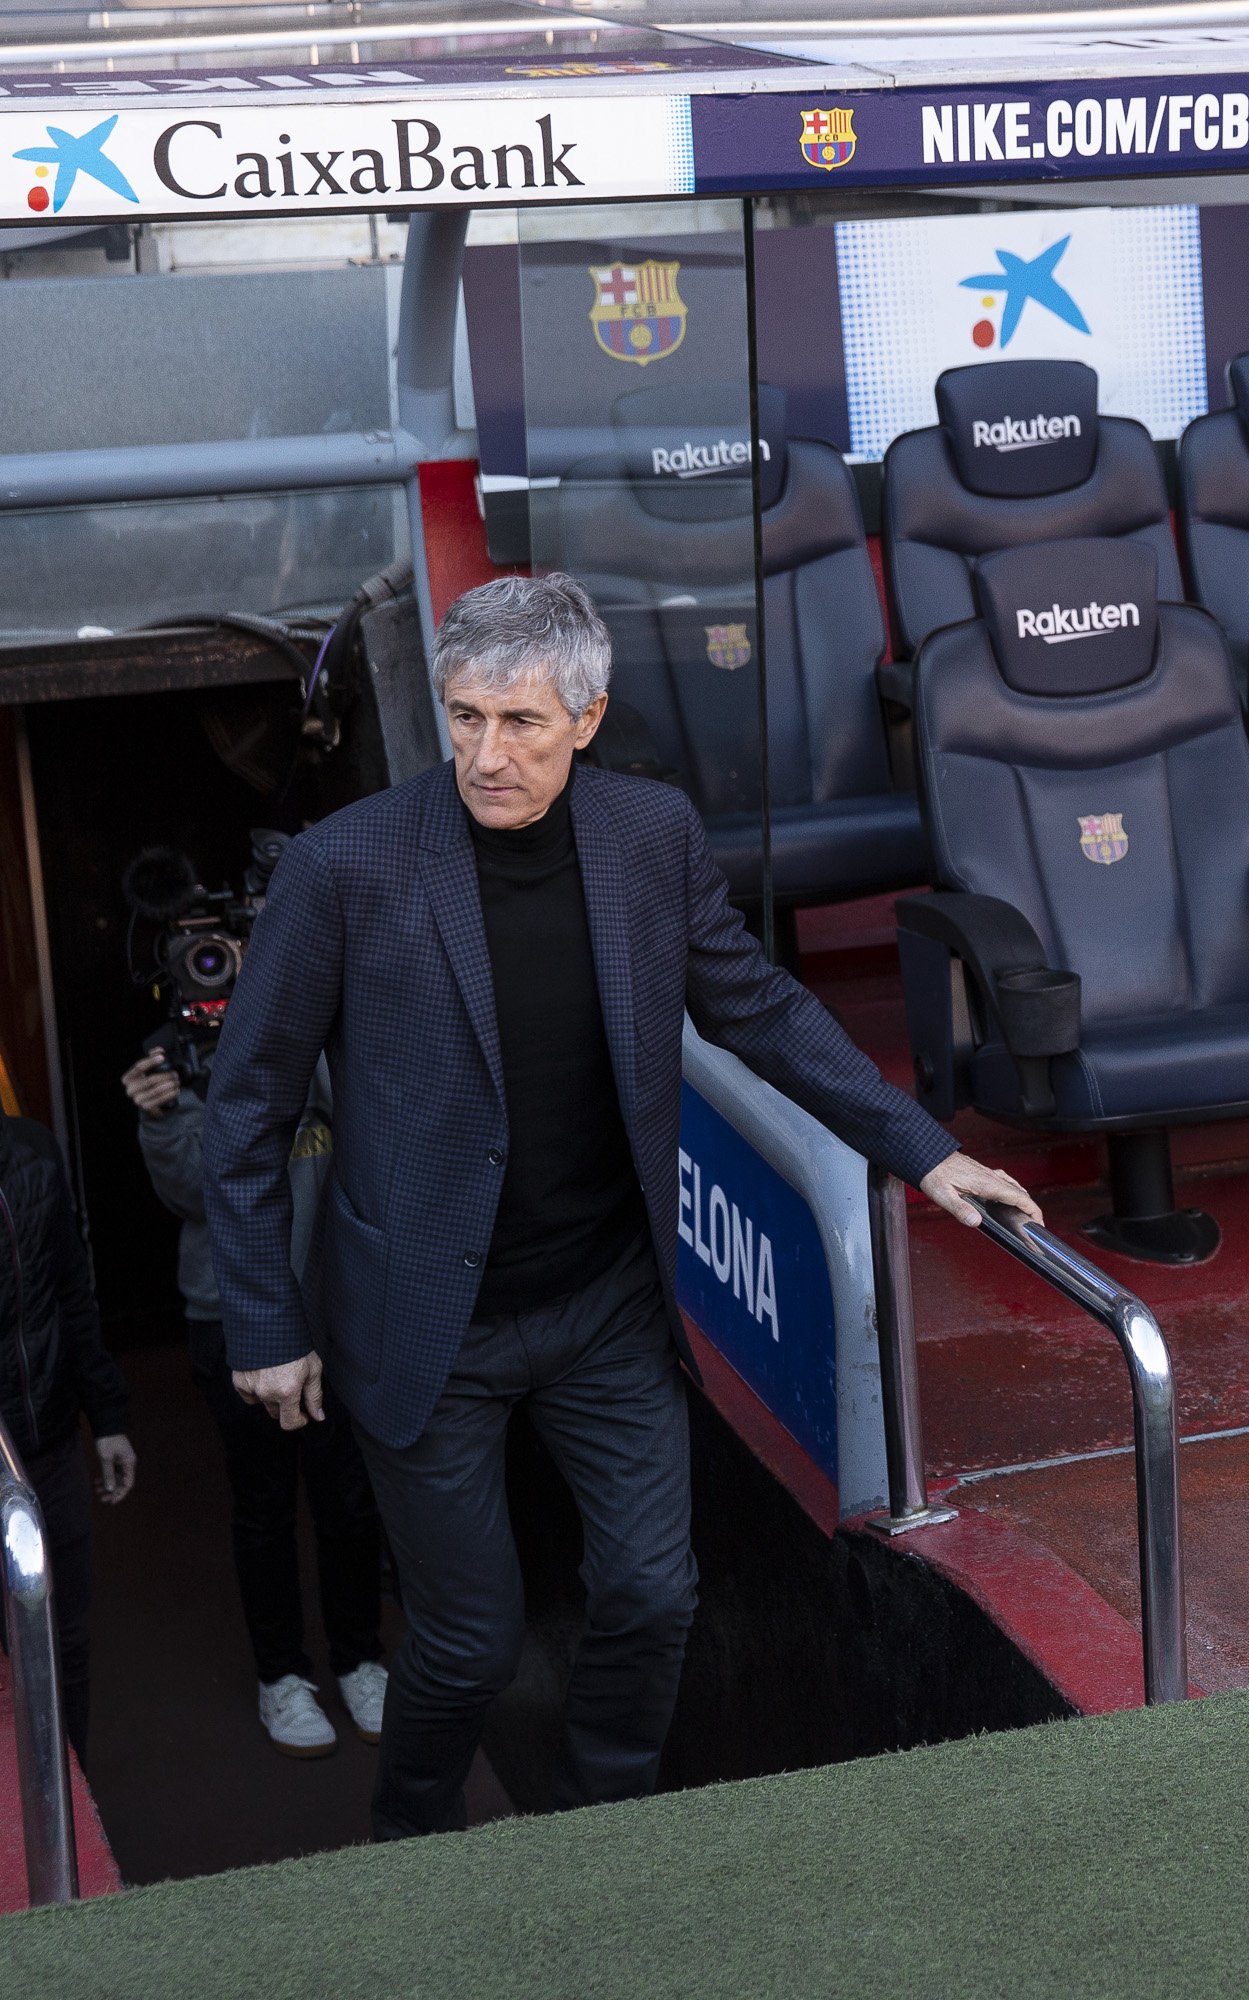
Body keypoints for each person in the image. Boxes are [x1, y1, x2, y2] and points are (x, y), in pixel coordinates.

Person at [204, 573, 1040, 1842]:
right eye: (465, 715)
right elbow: (249, 1099)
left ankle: (595, 1838)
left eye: (522, 723)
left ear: (586, 718)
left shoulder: (649, 836)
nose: (487, 753)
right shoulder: (346, 865)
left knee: (656, 1596)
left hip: (604, 1305)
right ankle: (409, 1836)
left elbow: (754, 1004)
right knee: (472, 1642)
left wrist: (922, 1152)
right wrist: (264, 1318)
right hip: (427, 1320)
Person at [125, 1041, 387, 1758]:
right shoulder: (188, 1053)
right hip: (231, 1314)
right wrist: (162, 1118)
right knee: (265, 1506)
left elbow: (369, 1142)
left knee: (349, 1499)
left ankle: (361, 1660)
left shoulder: (322, 1026)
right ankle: (281, 1677)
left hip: (335, 1303)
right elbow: (190, 1192)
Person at [0, 1113, 135, 1762]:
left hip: (48, 1445)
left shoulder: (32, 1153)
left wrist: (106, 1416)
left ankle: (68, 1799)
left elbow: (73, 1292)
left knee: (65, 1639)